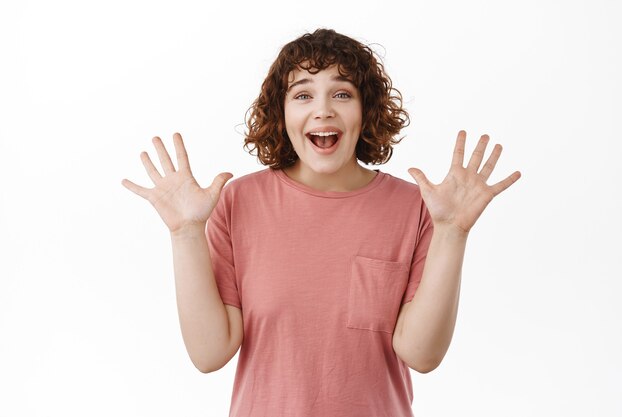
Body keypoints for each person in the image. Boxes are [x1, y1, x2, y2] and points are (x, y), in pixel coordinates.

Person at [121, 28, 520, 417]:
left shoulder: (416, 207)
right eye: (303, 94)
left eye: (342, 93)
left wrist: (452, 233)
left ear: (366, 112)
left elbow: (422, 354)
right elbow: (209, 354)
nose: (323, 109)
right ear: (282, 112)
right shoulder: (239, 202)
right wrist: (185, 233)